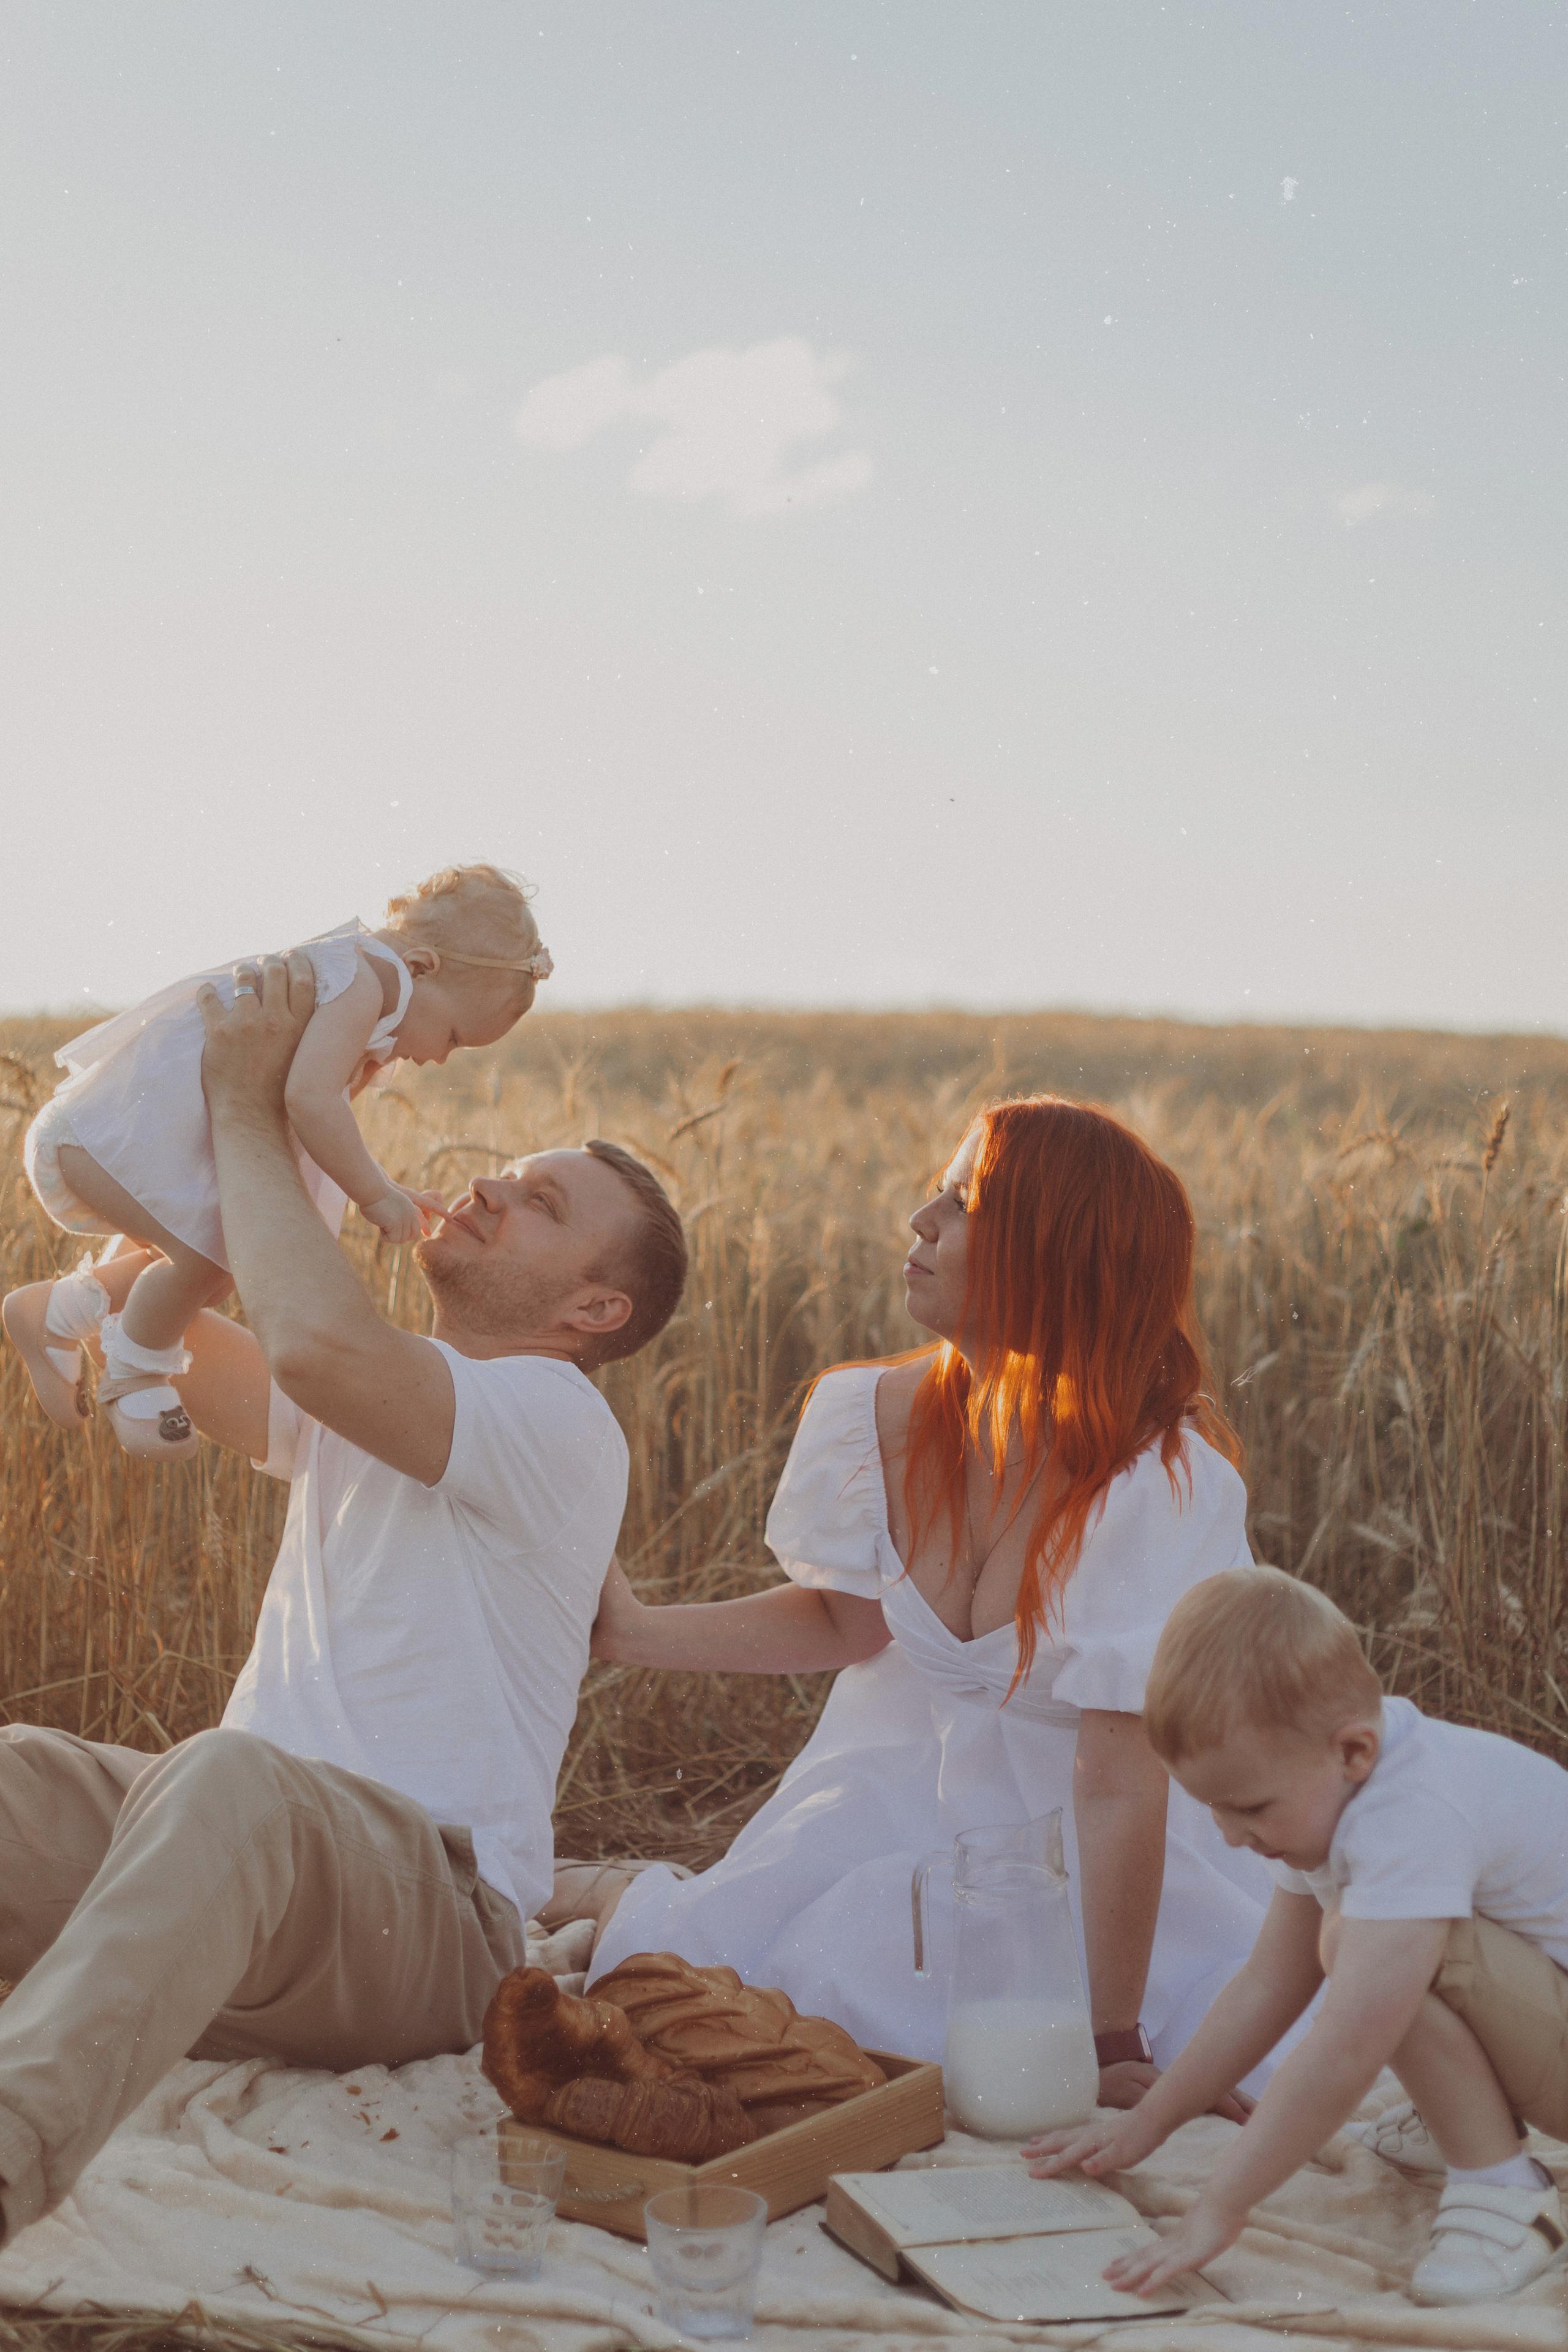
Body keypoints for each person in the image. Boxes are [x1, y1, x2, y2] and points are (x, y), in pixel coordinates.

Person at [0, 951, 687, 2244]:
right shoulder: (393, 1396)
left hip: (430, 1919)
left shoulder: (555, 1420)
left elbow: (317, 1344)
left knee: (227, 1779)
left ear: (595, 1305)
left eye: (538, 1202)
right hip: (247, 1881)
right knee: (16, 1776)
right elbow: (178, 1334)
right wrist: (165, 1155)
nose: (488, 1185)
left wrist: (257, 1101)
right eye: (508, 1169)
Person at [582, 1096, 1279, 2109]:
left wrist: (1108, 2035)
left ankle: (596, 1886)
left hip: (1083, 1857)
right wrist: (634, 1632)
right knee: (725, 1986)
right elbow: (843, 1623)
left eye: (964, 1202)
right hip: (883, 1799)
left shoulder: (1160, 1486)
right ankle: (599, 1888)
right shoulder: (870, 1415)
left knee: (944, 2036)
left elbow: (1119, 1784)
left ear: (1054, 1254)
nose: (920, 1218)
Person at [1025, 1566, 1568, 2309]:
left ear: (1353, 1752)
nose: (1229, 1835)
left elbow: (1348, 2042)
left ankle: (1504, 2189)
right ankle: (1465, 2116)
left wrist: (1223, 2204)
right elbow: (1267, 1983)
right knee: (1358, 1945)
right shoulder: (1338, 1779)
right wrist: (1148, 2125)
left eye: (1247, 1806)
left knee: (1368, 1954)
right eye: (1212, 1808)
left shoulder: (1408, 1814)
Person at [4, 862, 552, 1460]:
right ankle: (135, 1371)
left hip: (126, 1145)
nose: (443, 1060)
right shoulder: (361, 980)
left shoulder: (365, 987)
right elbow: (309, 1100)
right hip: (106, 1138)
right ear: (422, 967)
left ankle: (58, 1310)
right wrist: (374, 1196)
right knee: (204, 1261)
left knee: (219, 1264)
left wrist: (391, 1187)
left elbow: (307, 1120)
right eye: (452, 1036)